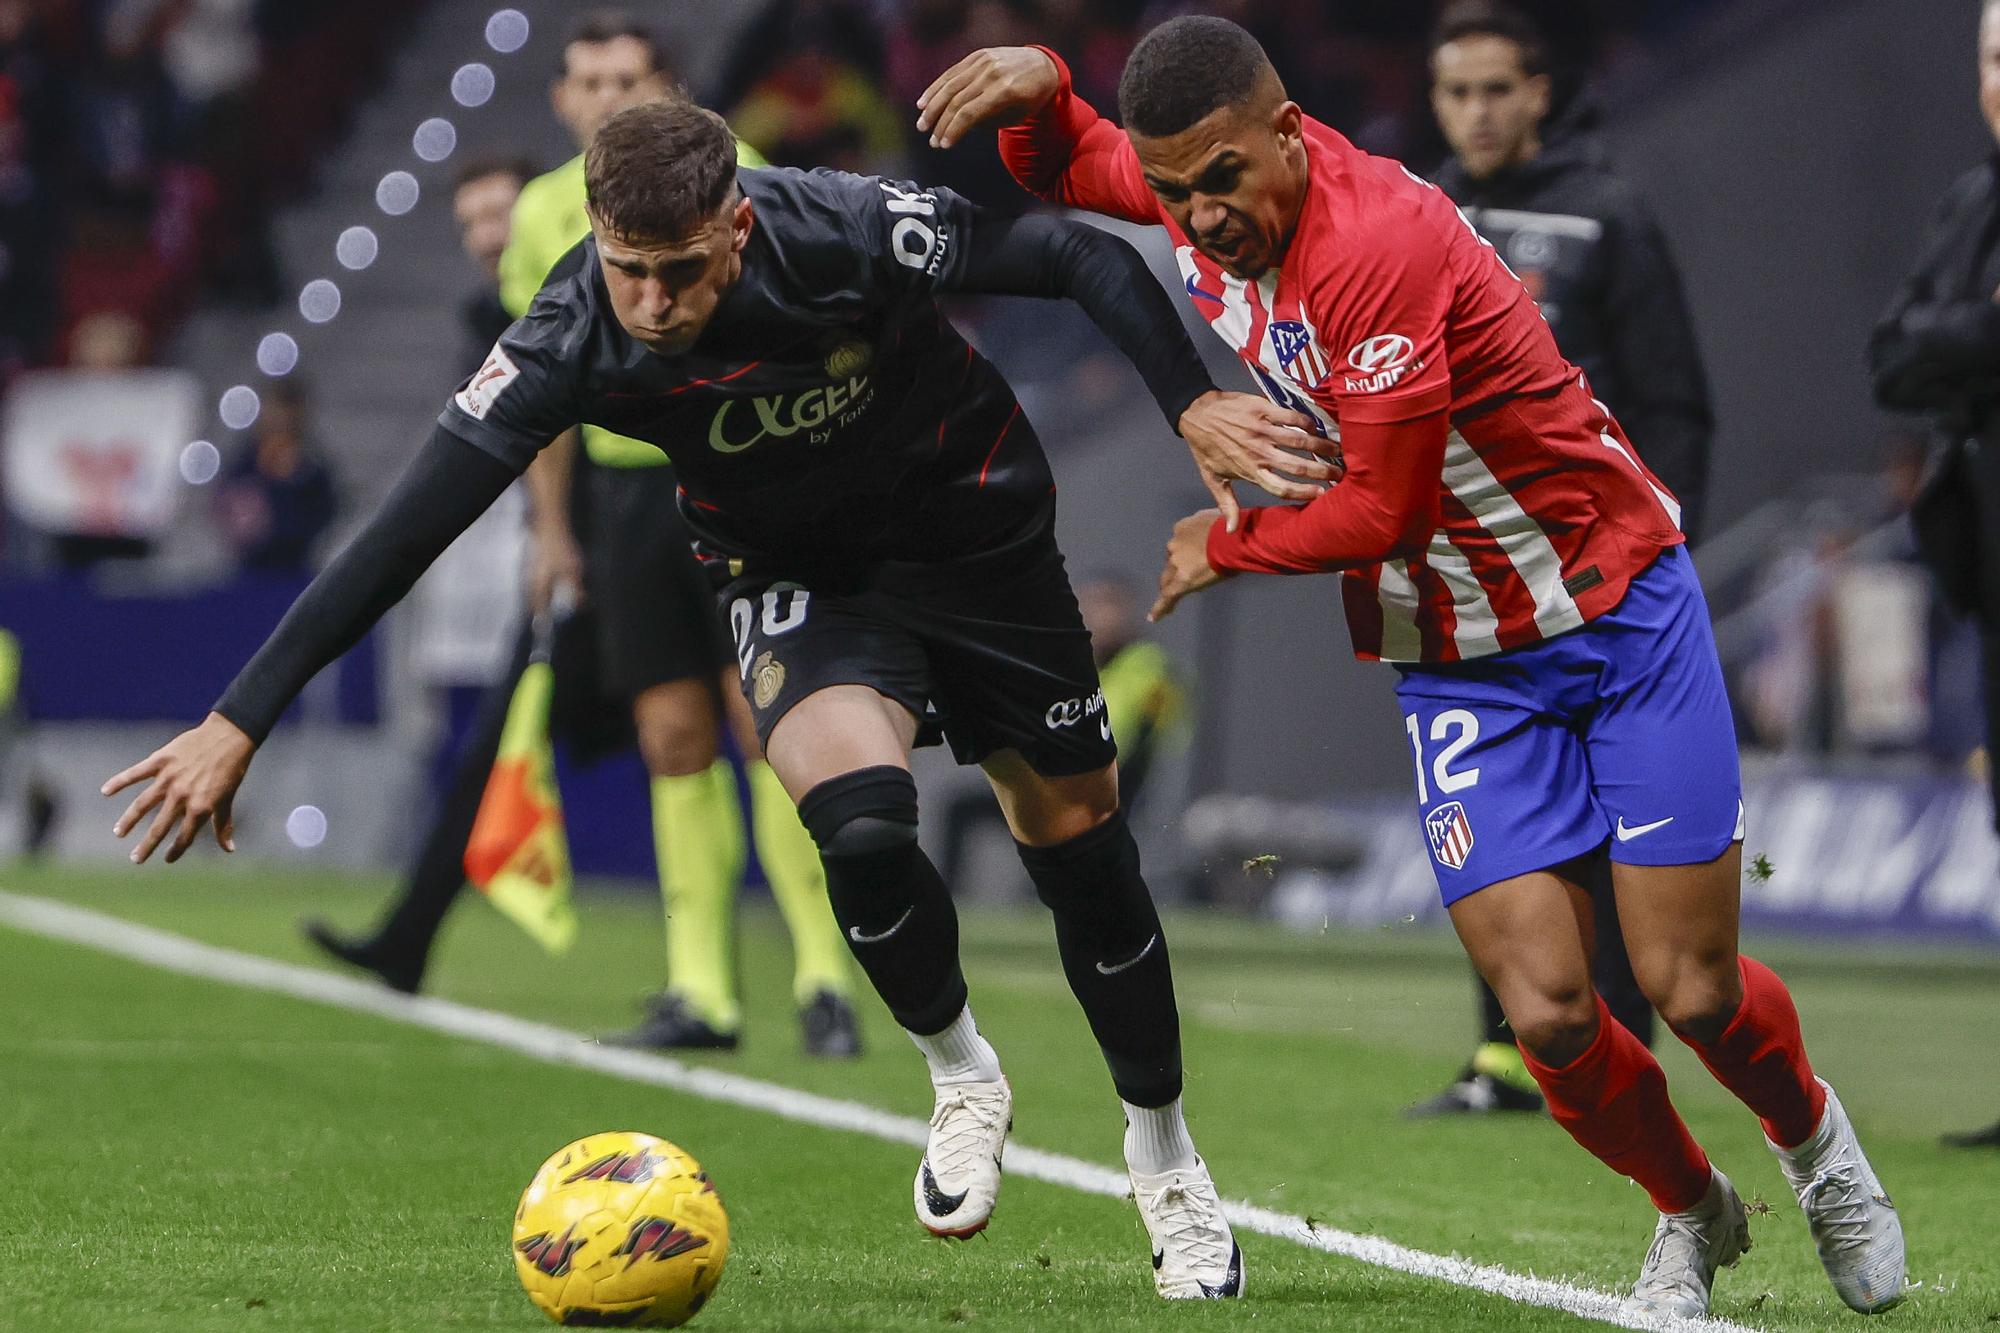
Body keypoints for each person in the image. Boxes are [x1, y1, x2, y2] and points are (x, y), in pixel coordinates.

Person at [99, 95, 1332, 1297]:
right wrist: (238, 715)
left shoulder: (841, 227)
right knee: (856, 823)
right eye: (627, 268)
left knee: (1077, 846)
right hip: (798, 578)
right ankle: (962, 1076)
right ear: (593, 236)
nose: (651, 303)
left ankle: (1163, 1156)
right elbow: (401, 530)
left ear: (736, 228)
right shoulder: (567, 336)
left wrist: (1192, 400)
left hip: (977, 538)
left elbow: (1064, 249)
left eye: (680, 271)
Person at [920, 18, 1904, 1316]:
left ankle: (1818, 1149)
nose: (1199, 217)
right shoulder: (1197, 193)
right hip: (1457, 654)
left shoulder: (1373, 243)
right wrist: (1044, 87)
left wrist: (1231, 538)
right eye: (1173, 193)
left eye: (1220, 180)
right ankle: (1691, 1211)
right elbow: (1070, 167)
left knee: (1691, 987)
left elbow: (1380, 510)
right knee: (1549, 1015)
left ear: (1287, 136)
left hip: (1610, 611)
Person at [494, 10, 866, 1056]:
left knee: (767, 726)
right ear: (564, 100)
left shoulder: (739, 175)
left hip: (739, 474)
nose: (608, 96)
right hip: (622, 506)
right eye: (589, 80)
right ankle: (703, 990)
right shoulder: (536, 216)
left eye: (628, 78)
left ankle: (823, 977)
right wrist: (551, 529)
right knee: (671, 736)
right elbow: (539, 395)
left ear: (670, 92)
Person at [1408, 0, 1716, 1119]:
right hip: (1472, 580)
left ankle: (1618, 1045)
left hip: (1601, 576)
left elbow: (1673, 401)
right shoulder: (1421, 211)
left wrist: (1660, 554)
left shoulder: (1606, 215)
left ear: (1538, 91)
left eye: (1496, 89)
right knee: (1499, 813)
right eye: (1456, 92)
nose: (1477, 112)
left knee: (1613, 817)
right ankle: (1505, 1054)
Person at [1870, 0, 2000, 1151]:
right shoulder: (1972, 203)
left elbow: (1923, 344)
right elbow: (1889, 353)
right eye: (1998, 58)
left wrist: (1950, 337)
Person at [937, 571, 1188, 887]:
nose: (1100, 616)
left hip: (1102, 786)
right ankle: (953, 896)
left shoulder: (1149, 664)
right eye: (1092, 605)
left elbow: (1146, 741)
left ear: (1127, 611)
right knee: (961, 807)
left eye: (1109, 605)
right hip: (1049, 779)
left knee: (1053, 850)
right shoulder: (1071, 660)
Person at [214, 379, 339, 575]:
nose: (278, 418)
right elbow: (229, 504)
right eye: (273, 410)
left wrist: (294, 479)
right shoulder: (244, 463)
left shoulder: (311, 465)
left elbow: (325, 509)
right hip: (249, 571)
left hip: (296, 569)